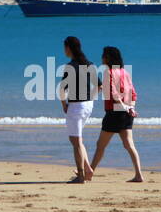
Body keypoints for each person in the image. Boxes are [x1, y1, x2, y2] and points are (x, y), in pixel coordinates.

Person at [90, 45, 144, 182]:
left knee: (100, 145)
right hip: (126, 112)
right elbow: (133, 93)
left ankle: (89, 173)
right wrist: (130, 108)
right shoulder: (125, 72)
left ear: (108, 58)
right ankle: (139, 175)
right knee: (129, 145)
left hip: (114, 112)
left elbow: (113, 92)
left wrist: (122, 106)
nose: (101, 58)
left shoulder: (109, 72)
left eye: (103, 55)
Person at [59, 36, 96, 183]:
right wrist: (90, 99)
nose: (64, 50)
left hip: (76, 106)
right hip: (88, 105)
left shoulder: (70, 66)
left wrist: (64, 105)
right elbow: (99, 86)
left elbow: (62, 89)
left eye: (64, 47)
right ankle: (88, 170)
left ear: (68, 48)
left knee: (75, 141)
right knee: (77, 139)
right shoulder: (90, 64)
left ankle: (81, 176)